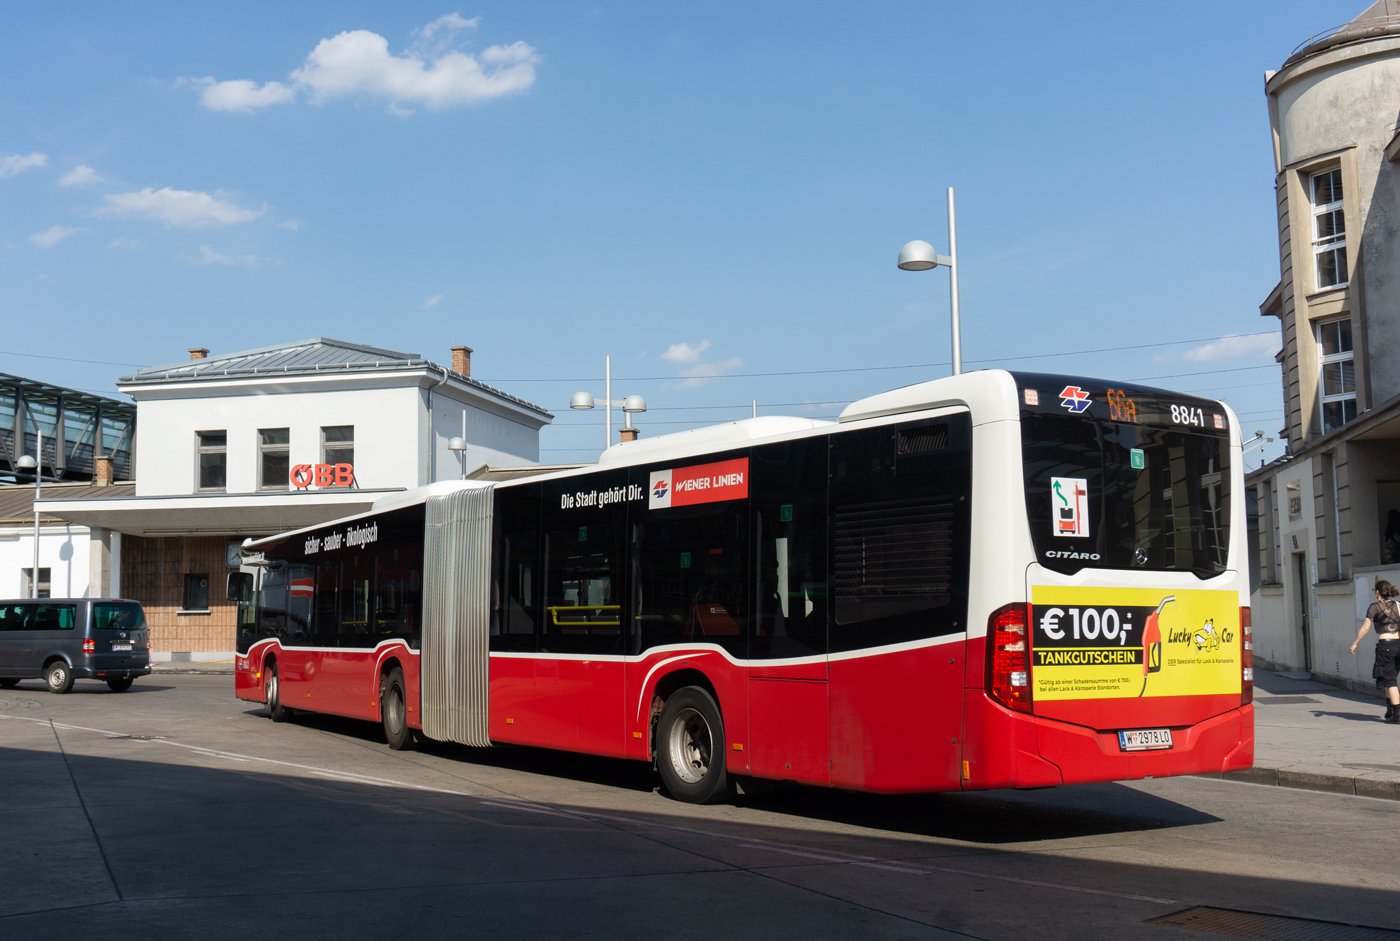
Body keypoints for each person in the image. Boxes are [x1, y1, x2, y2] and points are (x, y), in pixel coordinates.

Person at [1351, 579, 1400, 723]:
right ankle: (1390, 709)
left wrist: (1355, 643)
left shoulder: (1374, 607)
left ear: (1377, 592)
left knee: (1390, 680)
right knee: (1387, 677)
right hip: (1399, 643)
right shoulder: (1398, 605)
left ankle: (1397, 714)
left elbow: (1365, 628)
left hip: (1386, 645)